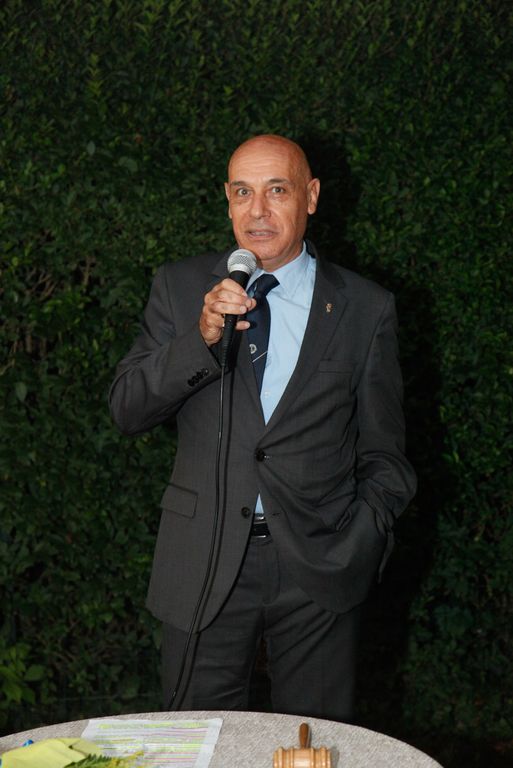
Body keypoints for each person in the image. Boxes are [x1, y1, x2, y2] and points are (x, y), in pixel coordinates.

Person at [109, 134, 416, 721]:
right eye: (242, 192)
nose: (258, 211)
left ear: (311, 197)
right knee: (201, 745)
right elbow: (127, 409)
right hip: (203, 562)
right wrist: (199, 339)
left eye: (277, 190)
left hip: (320, 567)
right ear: (226, 200)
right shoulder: (180, 288)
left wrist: (361, 540)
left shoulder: (365, 306)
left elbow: (385, 453)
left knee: (312, 744)